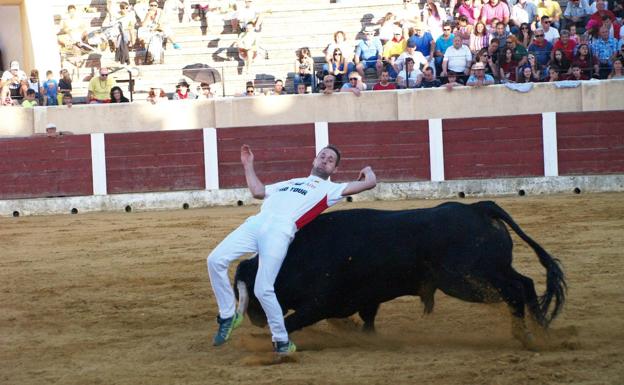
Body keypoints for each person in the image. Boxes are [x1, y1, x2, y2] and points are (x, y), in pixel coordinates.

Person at [206, 144, 377, 354]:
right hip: (256, 223)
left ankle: (281, 340)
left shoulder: (332, 189)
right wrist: (248, 165)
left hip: (280, 231)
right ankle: (228, 315)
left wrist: (367, 170)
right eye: (322, 156)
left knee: (262, 288)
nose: (324, 160)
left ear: (334, 170)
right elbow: (258, 192)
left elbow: (370, 183)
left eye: (330, 160)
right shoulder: (290, 182)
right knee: (215, 260)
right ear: (314, 160)